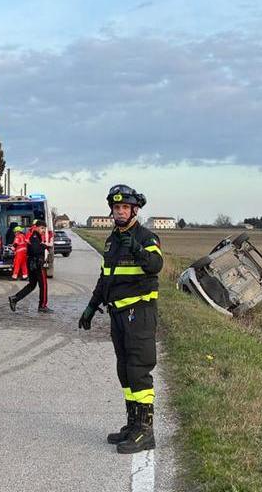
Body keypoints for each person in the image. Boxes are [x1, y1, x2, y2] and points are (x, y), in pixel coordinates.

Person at [78, 184, 162, 454]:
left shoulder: (147, 237)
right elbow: (106, 277)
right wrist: (91, 306)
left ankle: (146, 431)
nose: (120, 212)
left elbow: (155, 266)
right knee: (124, 370)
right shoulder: (112, 240)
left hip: (140, 313)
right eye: (116, 208)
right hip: (117, 314)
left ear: (134, 209)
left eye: (125, 207)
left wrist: (136, 248)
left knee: (139, 369)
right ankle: (133, 424)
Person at [8, 218, 52, 313]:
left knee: (32, 285)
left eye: (44, 228)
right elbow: (35, 250)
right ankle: (42, 306)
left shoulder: (32, 234)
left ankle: (15, 298)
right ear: (36, 227)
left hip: (31, 263)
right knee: (43, 285)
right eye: (42, 228)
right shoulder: (35, 236)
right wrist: (44, 246)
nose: (43, 230)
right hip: (37, 264)